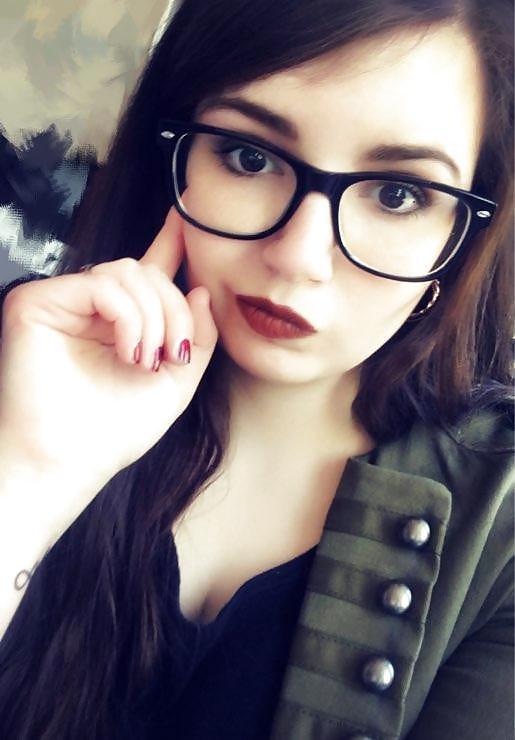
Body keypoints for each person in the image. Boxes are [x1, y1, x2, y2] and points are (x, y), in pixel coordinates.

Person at [0, 0, 513, 738]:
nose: (298, 258)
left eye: (398, 194)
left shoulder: (498, 530)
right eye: (248, 156)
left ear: (458, 242)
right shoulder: (29, 359)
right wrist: (29, 477)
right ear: (173, 157)